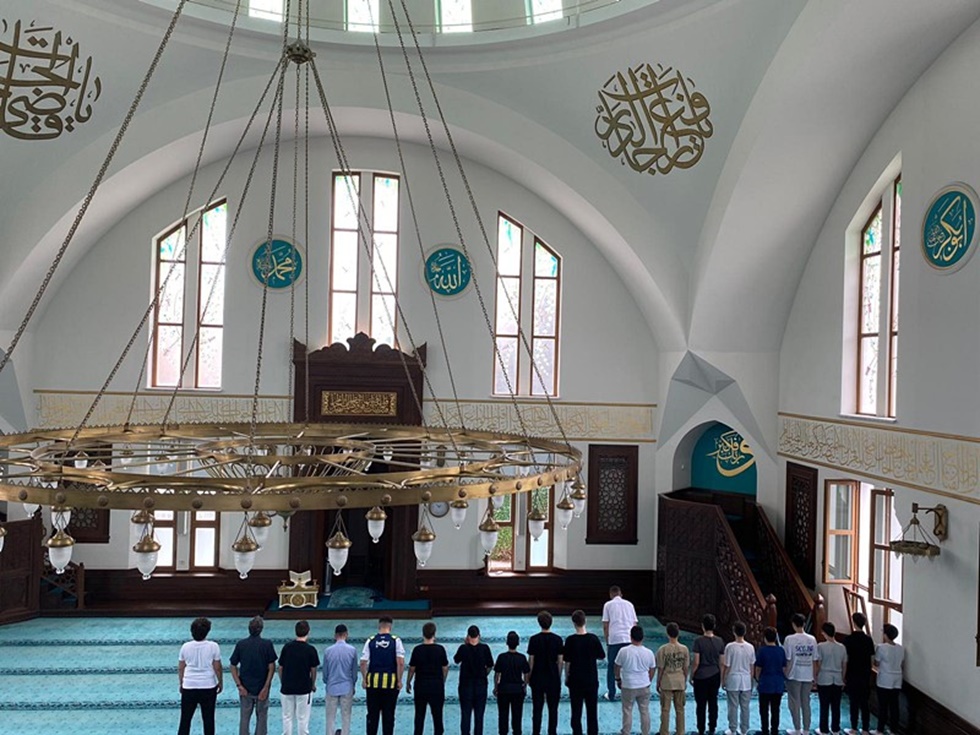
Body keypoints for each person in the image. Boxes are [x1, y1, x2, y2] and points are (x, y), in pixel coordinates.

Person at [230, 615, 277, 735]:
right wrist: (266, 686)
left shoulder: (241, 644)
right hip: (262, 685)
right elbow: (272, 667)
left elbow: (233, 665)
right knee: (262, 716)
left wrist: (239, 685)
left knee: (245, 717)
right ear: (261, 629)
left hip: (245, 685)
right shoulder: (267, 644)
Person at [177, 616, 223, 735]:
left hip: (189, 685)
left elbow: (181, 667)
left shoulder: (185, 646)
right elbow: (217, 667)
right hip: (208, 685)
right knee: (208, 719)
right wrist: (220, 682)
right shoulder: (213, 646)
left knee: (185, 720)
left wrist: (181, 683)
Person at [563, 609, 605, 735]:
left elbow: (567, 662)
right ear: (585, 621)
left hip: (575, 680)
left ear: (573, 623)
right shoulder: (593, 639)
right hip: (591, 680)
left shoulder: (570, 640)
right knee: (592, 712)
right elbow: (602, 655)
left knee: (576, 712)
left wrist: (566, 677)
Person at [361, 616, 406, 735]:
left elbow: (363, 662)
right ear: (390, 627)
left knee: (372, 715)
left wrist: (364, 679)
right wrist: (399, 680)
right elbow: (400, 662)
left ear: (379, 626)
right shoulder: (396, 640)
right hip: (390, 683)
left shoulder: (370, 640)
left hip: (373, 683)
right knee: (388, 715)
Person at [278, 620, 320, 735]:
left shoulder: (287, 648)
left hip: (287, 687)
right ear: (308, 632)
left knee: (287, 717)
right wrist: (312, 684)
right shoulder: (310, 650)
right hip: (304, 688)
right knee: (303, 718)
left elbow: (280, 667)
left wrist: (283, 681)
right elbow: (313, 669)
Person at [408, 622, 449, 735]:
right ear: (434, 634)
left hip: (421, 686)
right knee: (438, 716)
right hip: (436, 686)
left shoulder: (417, 649)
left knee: (419, 716)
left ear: (423, 634)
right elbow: (445, 668)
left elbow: (412, 669)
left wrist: (408, 682)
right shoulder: (440, 649)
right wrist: (442, 681)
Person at [614, 625, 656, 735]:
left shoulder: (624, 651)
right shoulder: (649, 652)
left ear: (630, 637)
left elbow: (617, 666)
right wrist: (648, 680)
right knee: (644, 711)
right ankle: (645, 732)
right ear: (643, 637)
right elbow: (652, 669)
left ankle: (626, 732)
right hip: (644, 685)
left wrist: (618, 679)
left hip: (628, 685)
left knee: (627, 710)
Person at [527, 610, 564, 735]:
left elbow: (531, 661)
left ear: (539, 623)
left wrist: (528, 676)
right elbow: (560, 661)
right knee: (553, 710)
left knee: (537, 709)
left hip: (537, 678)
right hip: (553, 678)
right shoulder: (557, 640)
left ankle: (536, 732)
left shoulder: (534, 639)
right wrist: (558, 676)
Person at [690, 613, 726, 735]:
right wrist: (721, 677)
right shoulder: (719, 641)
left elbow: (696, 661)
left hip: (701, 676)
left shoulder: (698, 641)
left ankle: (701, 729)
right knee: (713, 703)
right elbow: (722, 662)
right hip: (715, 675)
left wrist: (692, 675)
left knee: (701, 705)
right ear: (714, 626)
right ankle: (712, 728)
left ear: (703, 626)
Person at [455, 624, 494, 735]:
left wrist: (465, 644)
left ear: (468, 636)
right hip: (480, 685)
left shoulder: (463, 648)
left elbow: (456, 660)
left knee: (465, 714)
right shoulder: (485, 648)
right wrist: (484, 674)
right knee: (479, 716)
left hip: (465, 686)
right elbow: (490, 665)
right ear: (479, 635)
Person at [784, 612, 818, 735]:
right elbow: (814, 660)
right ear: (804, 624)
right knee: (806, 703)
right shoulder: (812, 639)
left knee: (794, 703)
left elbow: (788, 659)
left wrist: (785, 674)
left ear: (793, 624)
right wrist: (815, 676)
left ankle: (797, 729)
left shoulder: (789, 639)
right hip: (808, 675)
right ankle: (806, 729)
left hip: (794, 674)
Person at [602, 585, 638, 701]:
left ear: (610, 595)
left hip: (614, 639)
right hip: (628, 638)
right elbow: (634, 624)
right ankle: (631, 693)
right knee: (629, 666)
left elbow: (606, 625)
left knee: (611, 666)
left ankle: (611, 694)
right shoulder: (629, 604)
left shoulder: (608, 605)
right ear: (621, 594)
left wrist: (607, 641)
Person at [842, 612, 875, 735]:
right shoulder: (868, 639)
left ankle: (854, 728)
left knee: (854, 702)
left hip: (852, 673)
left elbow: (845, 659)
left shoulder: (849, 639)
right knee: (865, 703)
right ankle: (865, 729)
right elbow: (871, 659)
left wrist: (844, 676)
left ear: (854, 622)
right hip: (865, 674)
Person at [323, 623, 359, 735]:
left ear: (335, 635)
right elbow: (354, 671)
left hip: (331, 686)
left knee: (330, 717)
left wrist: (327, 682)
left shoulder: (328, 651)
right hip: (347, 686)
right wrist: (353, 684)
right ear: (346, 634)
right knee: (346, 717)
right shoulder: (352, 650)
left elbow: (325, 672)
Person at [720, 620, 754, 735]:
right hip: (746, 679)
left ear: (734, 632)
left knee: (732, 706)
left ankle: (733, 729)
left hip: (733, 678)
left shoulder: (730, 647)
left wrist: (723, 679)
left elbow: (727, 665)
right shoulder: (750, 647)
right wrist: (751, 679)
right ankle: (744, 729)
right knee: (745, 706)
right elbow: (752, 666)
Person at [655, 622, 688, 735]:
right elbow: (685, 668)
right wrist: (685, 680)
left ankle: (664, 731)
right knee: (680, 709)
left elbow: (660, 668)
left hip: (667, 681)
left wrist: (658, 682)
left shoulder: (662, 649)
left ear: (667, 634)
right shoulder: (684, 649)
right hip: (679, 681)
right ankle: (680, 731)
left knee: (665, 710)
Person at [494, 631, 530, 735]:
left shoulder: (501, 657)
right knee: (517, 716)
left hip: (504, 689)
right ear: (518, 643)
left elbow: (497, 674)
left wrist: (496, 687)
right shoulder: (522, 658)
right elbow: (526, 673)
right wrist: (524, 685)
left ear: (507, 643)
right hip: (517, 689)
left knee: (503, 716)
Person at [815, 621, 847, 735]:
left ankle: (824, 729)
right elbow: (844, 665)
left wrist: (815, 677)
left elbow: (819, 663)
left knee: (824, 705)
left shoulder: (821, 646)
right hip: (837, 678)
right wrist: (843, 679)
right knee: (836, 706)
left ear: (824, 632)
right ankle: (835, 728)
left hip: (824, 677)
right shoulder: (842, 647)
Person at [753, 627, 786, 735]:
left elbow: (758, 668)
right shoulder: (781, 650)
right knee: (776, 709)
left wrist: (757, 678)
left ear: (765, 638)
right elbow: (784, 668)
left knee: (764, 709)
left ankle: (765, 730)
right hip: (778, 683)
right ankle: (774, 730)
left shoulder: (762, 651)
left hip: (765, 683)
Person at [874, 623, 904, 735]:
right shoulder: (901, 648)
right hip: (897, 679)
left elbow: (876, 663)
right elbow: (902, 664)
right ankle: (893, 730)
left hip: (885, 679)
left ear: (886, 635)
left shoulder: (881, 647)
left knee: (883, 706)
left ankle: (880, 730)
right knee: (894, 706)